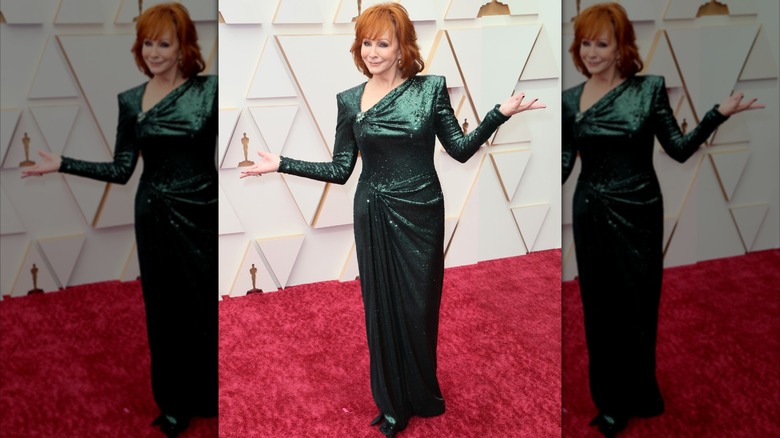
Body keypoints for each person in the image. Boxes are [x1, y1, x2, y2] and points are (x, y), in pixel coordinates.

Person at [240, 3, 545, 436]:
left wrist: (498, 114)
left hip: (422, 210)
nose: (373, 51)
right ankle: (391, 404)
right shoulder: (349, 100)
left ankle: (422, 393)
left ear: (402, 48)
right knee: (380, 307)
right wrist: (282, 163)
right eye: (367, 42)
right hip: (374, 210)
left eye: (383, 43)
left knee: (420, 307)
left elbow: (458, 149)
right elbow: (341, 170)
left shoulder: (431, 88)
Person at [562, 3, 763, 437]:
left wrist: (717, 114)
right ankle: (610, 401)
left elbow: (678, 148)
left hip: (639, 214)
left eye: (602, 42)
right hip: (592, 213)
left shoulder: (650, 89)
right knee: (598, 310)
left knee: (638, 306)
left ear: (620, 48)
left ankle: (638, 393)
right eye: (585, 43)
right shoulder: (570, 100)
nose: (592, 51)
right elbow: (563, 165)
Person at [21, 3, 217, 436]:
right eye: (147, 42)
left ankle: (209, 392)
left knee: (203, 307)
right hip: (154, 215)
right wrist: (63, 164)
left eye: (163, 43)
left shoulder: (212, 91)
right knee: (163, 312)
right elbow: (122, 169)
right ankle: (173, 405)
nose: (153, 51)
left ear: (184, 46)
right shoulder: (130, 101)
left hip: (203, 212)